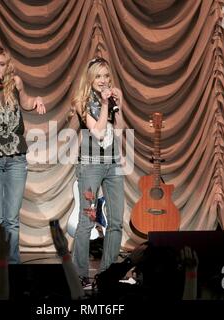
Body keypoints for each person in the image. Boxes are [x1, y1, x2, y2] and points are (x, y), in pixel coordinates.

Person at [0, 45, 46, 264]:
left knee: (12, 220)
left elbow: (25, 103)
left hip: (16, 159)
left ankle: (12, 270)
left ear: (7, 65)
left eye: (1, 64)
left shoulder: (16, 83)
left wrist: (36, 101)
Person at [71, 57, 125, 287]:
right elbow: (99, 133)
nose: (103, 81)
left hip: (112, 164)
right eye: (99, 76)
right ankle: (79, 275)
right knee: (87, 221)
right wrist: (104, 105)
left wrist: (118, 107)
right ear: (91, 79)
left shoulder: (111, 99)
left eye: (106, 76)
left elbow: (120, 130)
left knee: (116, 221)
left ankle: (107, 274)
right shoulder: (83, 101)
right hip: (91, 165)